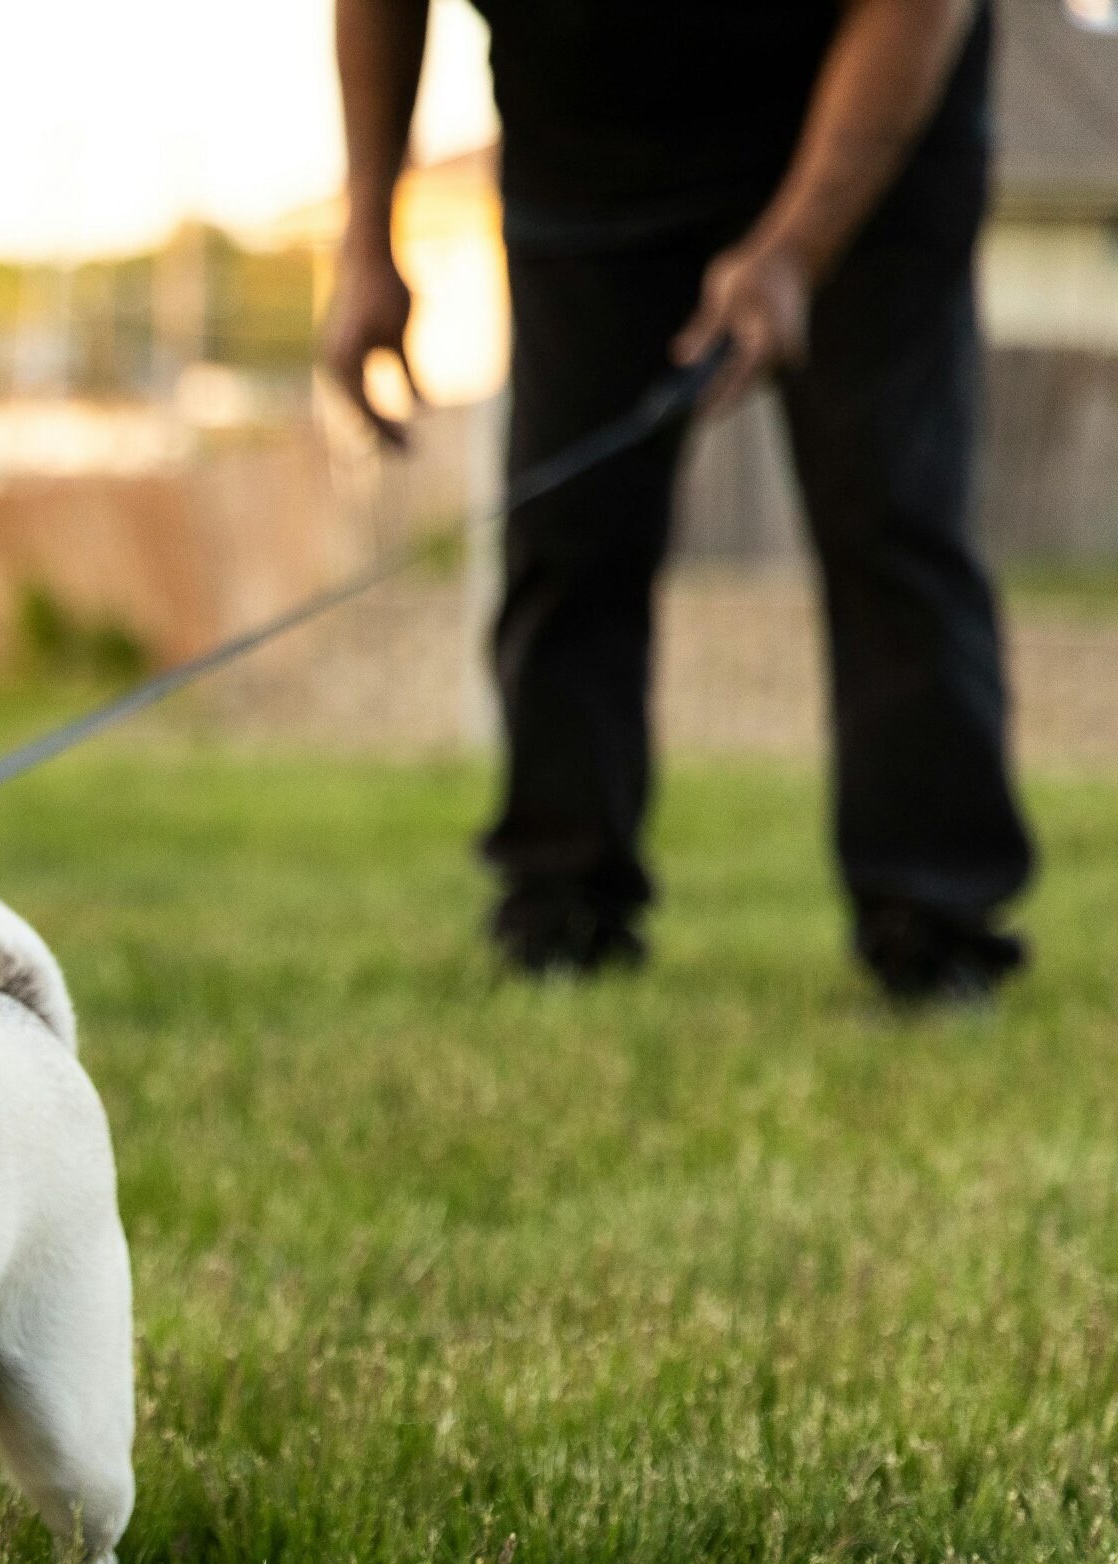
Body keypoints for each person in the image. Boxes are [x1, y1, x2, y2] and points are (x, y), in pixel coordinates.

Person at [323, 0, 1035, 1001]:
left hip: (867, 119)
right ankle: (561, 907)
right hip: (588, 151)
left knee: (892, 512)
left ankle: (933, 920)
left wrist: (793, 247)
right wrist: (363, 244)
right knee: (567, 531)